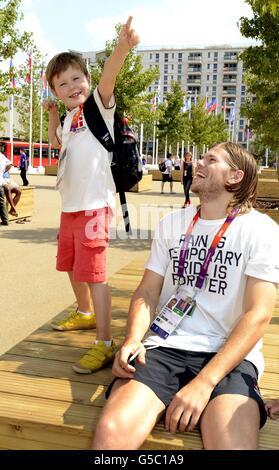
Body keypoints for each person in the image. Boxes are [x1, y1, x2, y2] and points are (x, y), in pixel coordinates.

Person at [92, 142, 279, 450]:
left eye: (211, 159)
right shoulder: (172, 224)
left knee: (232, 444)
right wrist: (133, 338)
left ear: (235, 176)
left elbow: (258, 315)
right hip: (164, 346)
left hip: (229, 355)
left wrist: (205, 383)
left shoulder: (261, 231)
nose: (198, 164)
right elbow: (147, 291)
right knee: (111, 432)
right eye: (200, 158)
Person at [44, 17, 139, 375]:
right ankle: (84, 314)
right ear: (55, 91)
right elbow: (57, 143)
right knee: (70, 265)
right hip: (69, 208)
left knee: (95, 274)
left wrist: (122, 48)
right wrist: (54, 117)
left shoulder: (97, 108)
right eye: (62, 83)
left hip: (95, 207)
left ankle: (104, 341)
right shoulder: (69, 120)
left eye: (76, 79)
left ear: (87, 80)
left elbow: (109, 77)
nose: (71, 86)